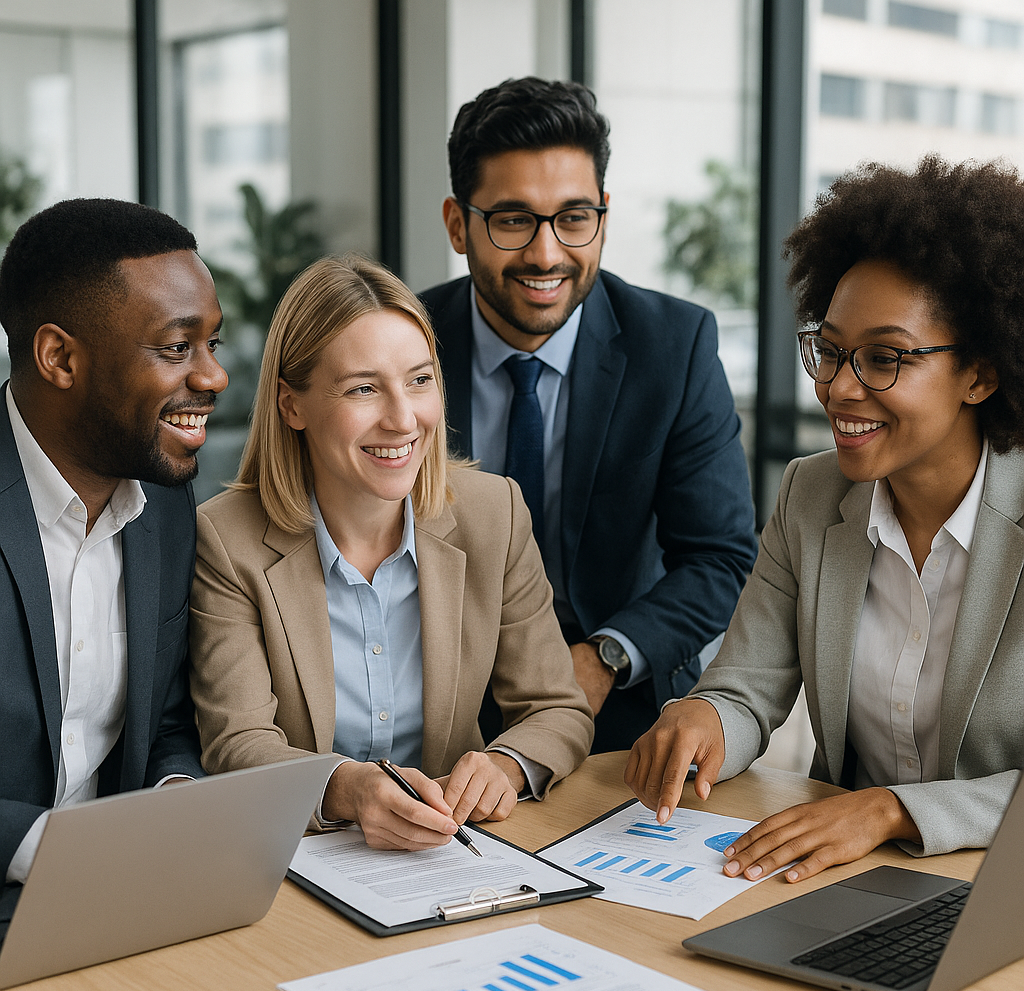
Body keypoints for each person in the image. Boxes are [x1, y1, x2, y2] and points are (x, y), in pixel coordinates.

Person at [626, 155, 1024, 884]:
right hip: (847, 881)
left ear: (982, 372)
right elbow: (744, 686)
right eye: (831, 351)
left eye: (884, 358)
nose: (839, 388)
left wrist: (891, 811)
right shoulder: (811, 496)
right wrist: (705, 718)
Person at [189, 254, 593, 852]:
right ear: (291, 405)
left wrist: (505, 764)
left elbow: (558, 708)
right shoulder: (227, 539)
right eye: (363, 389)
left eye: (420, 380)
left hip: (457, 853)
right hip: (301, 862)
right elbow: (238, 741)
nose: (404, 419)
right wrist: (347, 789)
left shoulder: (495, 514)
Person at [419, 77, 757, 753]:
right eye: (514, 220)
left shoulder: (675, 346)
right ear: (459, 224)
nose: (546, 254)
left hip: (619, 710)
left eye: (573, 218)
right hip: (429, 706)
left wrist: (603, 658)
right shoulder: (402, 339)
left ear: (603, 214)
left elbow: (719, 558)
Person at [0, 198, 228, 933]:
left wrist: (174, 790)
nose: (214, 378)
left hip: (120, 907)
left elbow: (166, 720)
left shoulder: (164, 507)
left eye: (213, 345)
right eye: (176, 348)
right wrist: (49, 848)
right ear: (60, 357)